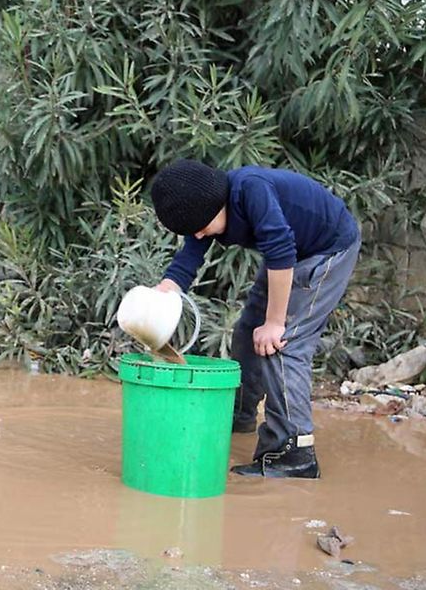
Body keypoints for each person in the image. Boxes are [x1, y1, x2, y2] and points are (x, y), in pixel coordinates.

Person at [150, 159, 360, 478]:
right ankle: (239, 415)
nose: (197, 233)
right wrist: (166, 289)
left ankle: (294, 453)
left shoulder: (252, 189)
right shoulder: (204, 209)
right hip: (290, 254)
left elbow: (281, 251)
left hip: (327, 249)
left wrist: (276, 322)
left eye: (199, 227)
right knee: (248, 330)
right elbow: (188, 259)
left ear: (213, 205)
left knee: (282, 343)